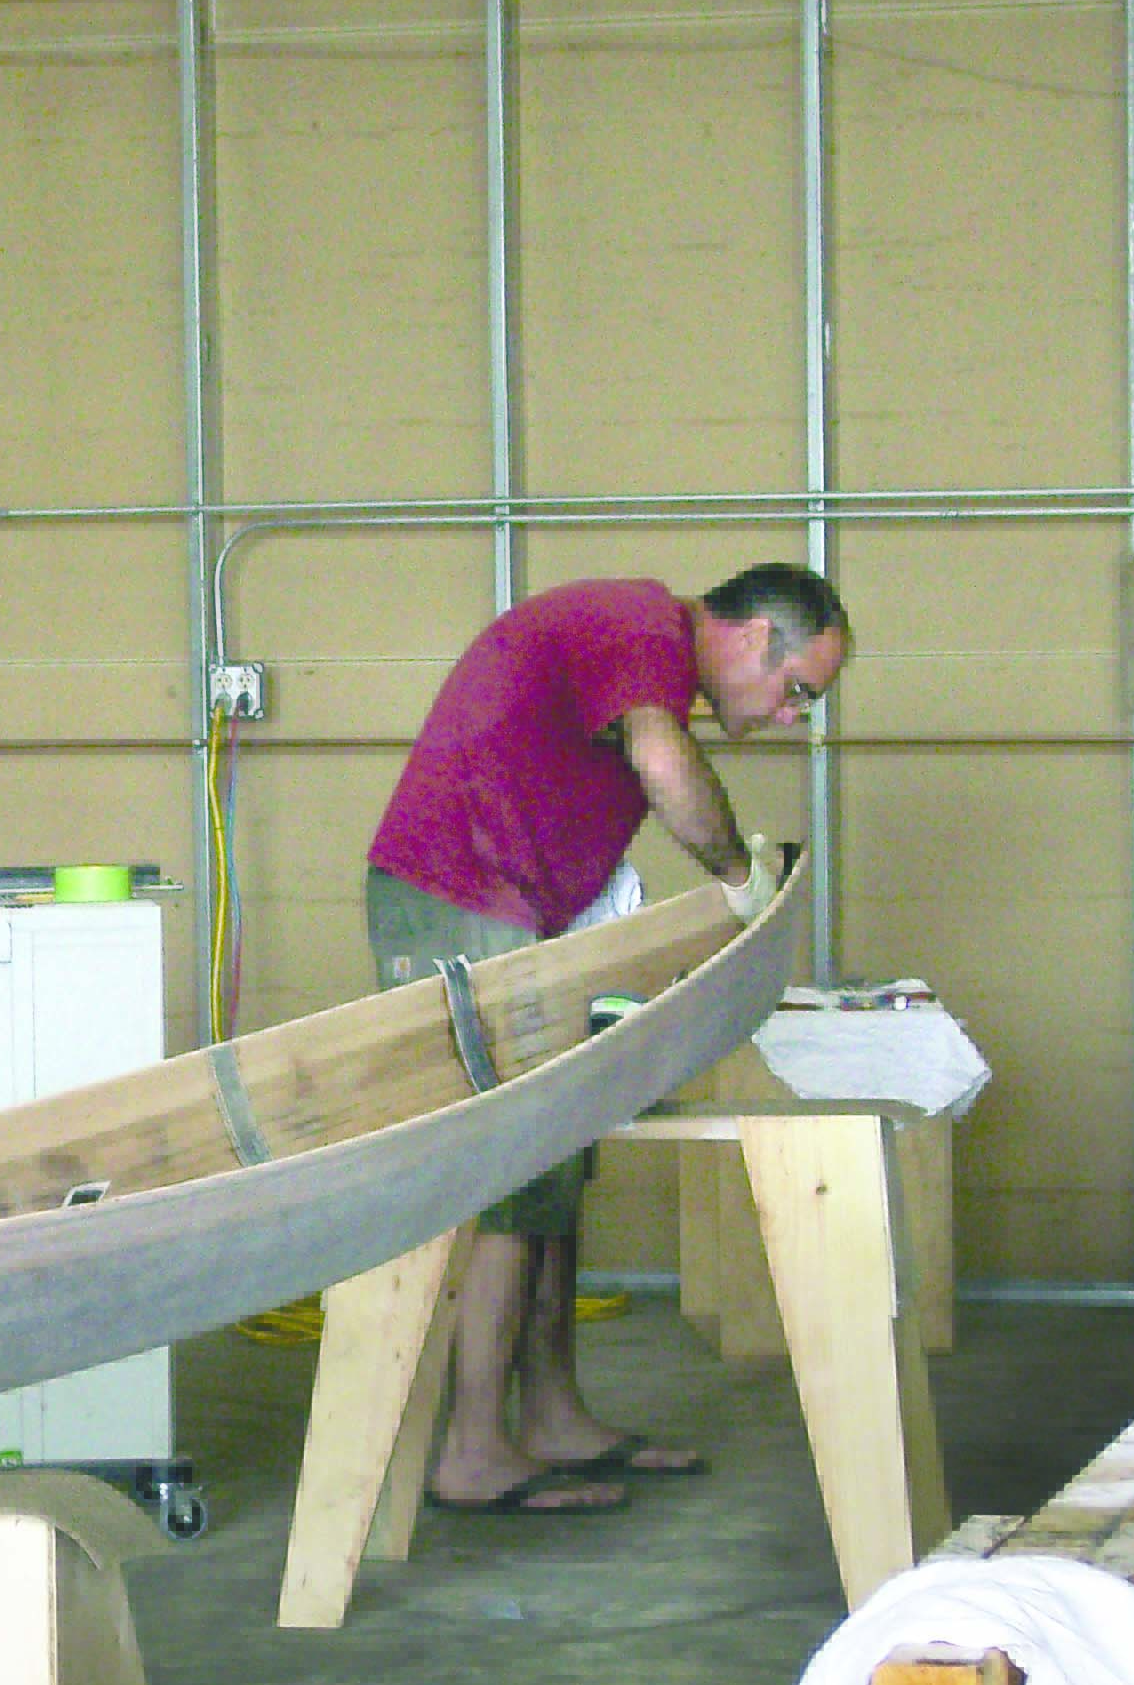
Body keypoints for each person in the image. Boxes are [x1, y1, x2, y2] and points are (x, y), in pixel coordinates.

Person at [364, 564, 852, 1513]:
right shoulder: (642, 629)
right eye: (799, 693)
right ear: (754, 638)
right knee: (515, 1163)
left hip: (514, 908)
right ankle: (474, 1451)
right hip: (459, 899)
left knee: (559, 1157)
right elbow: (665, 767)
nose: (794, 718)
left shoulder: (641, 653)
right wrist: (738, 877)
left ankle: (549, 1417)